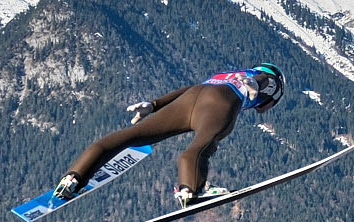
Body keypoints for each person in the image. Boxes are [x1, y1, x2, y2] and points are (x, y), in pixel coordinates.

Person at [54, 65, 286, 207]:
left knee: (129, 136)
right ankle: (191, 189)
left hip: (192, 97)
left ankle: (72, 179)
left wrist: (153, 105)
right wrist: (256, 82)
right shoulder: (265, 78)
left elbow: (188, 90)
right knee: (202, 145)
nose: (264, 108)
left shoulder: (227, 73)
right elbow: (268, 81)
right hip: (222, 101)